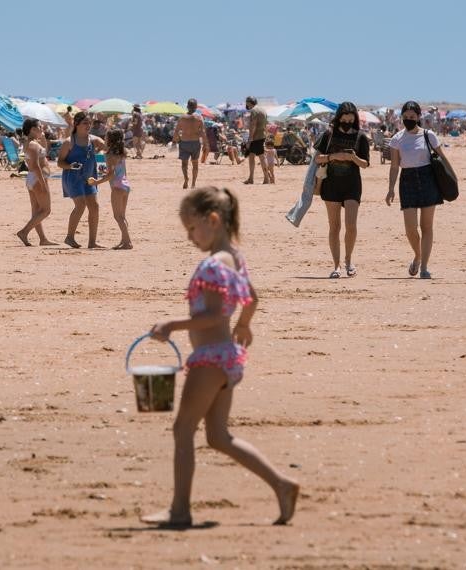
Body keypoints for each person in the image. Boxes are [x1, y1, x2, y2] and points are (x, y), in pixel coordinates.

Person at [142, 187, 299, 529]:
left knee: (183, 428)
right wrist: (244, 325)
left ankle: (180, 510)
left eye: (191, 228)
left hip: (210, 359)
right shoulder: (235, 257)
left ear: (212, 220)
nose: (189, 236)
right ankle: (281, 485)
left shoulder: (214, 264)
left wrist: (172, 324)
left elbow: (212, 316)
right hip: (228, 357)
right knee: (217, 436)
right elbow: (252, 297)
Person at [385, 101, 448, 279]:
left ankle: (424, 267)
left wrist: (450, 181)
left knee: (426, 226)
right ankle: (418, 256)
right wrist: (390, 189)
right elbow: (394, 166)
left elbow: (442, 158)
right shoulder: (397, 139)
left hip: (428, 179)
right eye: (406, 117)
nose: (409, 120)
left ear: (418, 117)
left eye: (412, 117)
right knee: (410, 228)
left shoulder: (429, 135)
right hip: (407, 181)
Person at [313, 102, 372, 278]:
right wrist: (334, 156)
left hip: (352, 185)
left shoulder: (360, 137)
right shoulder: (328, 134)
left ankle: (348, 260)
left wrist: (353, 158)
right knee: (334, 226)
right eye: (344, 119)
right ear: (339, 118)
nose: (347, 122)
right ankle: (336, 265)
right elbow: (317, 159)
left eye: (350, 119)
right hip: (331, 184)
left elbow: (366, 164)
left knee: (351, 226)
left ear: (355, 119)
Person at [57, 111, 104, 248]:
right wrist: (70, 166)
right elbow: (60, 162)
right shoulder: (69, 142)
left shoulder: (93, 140)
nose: (88, 125)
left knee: (94, 207)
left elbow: (104, 146)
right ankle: (69, 237)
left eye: (89, 122)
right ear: (76, 124)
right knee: (80, 205)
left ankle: (92, 242)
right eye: (85, 123)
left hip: (89, 177)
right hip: (72, 178)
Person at [88, 129, 133, 249]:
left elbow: (111, 174)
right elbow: (122, 172)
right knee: (122, 217)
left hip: (117, 187)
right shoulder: (122, 153)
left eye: (106, 138)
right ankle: (124, 241)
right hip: (125, 186)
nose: (105, 139)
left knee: (118, 217)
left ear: (110, 140)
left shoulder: (109, 155)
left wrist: (97, 182)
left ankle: (127, 242)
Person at [16, 118, 57, 246]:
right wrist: (43, 184)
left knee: (37, 211)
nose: (42, 129)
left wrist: (43, 140)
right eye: (40, 127)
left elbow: (43, 153)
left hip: (32, 179)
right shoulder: (33, 145)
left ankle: (43, 239)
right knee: (46, 210)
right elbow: (35, 166)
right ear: (33, 129)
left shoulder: (31, 143)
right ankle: (24, 232)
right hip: (38, 179)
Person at [173, 99, 208, 189]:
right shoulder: (199, 118)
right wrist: (205, 144)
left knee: (184, 164)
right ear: (196, 107)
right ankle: (193, 183)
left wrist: (174, 141)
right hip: (195, 143)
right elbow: (203, 132)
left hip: (184, 143)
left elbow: (177, 131)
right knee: (195, 164)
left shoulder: (182, 118)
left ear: (187, 106)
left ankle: (186, 179)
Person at [243, 96, 268, 184]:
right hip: (262, 135)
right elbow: (265, 125)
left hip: (255, 137)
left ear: (249, 102)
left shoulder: (254, 111)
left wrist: (250, 139)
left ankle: (256, 178)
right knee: (258, 156)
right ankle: (261, 178)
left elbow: (253, 126)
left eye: (246, 103)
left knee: (256, 157)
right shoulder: (263, 110)